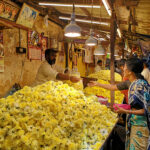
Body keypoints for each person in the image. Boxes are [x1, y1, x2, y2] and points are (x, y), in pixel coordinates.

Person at [115, 58, 150, 150]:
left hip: (140, 128)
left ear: (130, 71)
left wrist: (125, 111)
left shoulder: (140, 85)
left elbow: (145, 110)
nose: (123, 69)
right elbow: (136, 106)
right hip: (135, 124)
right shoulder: (134, 83)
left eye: (125, 67)